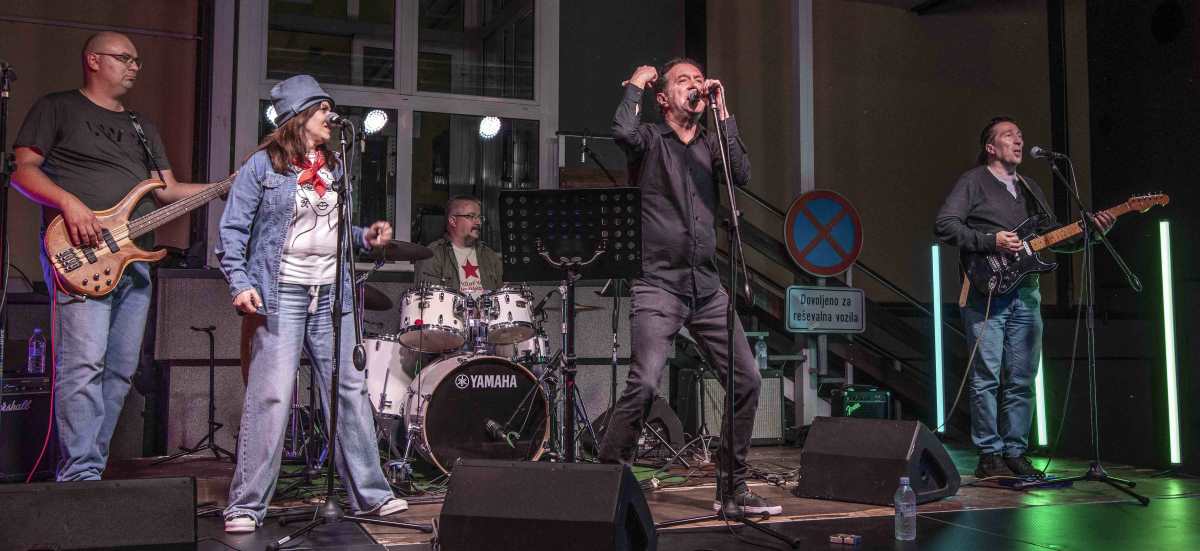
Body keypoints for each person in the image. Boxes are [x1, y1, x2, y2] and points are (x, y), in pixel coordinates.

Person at [11, 32, 215, 482]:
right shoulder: (58, 107)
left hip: (134, 261)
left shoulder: (142, 126)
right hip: (81, 255)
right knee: (83, 364)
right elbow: (23, 171)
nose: (134, 66)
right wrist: (69, 203)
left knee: (121, 371)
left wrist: (228, 186)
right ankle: (80, 475)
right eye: (124, 58)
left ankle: (90, 470)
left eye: (137, 60)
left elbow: (167, 191)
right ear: (93, 60)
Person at [216, 74, 405, 533]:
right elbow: (232, 232)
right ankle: (246, 505)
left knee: (349, 391)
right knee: (272, 394)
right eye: (322, 109)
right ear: (298, 116)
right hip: (282, 293)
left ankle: (371, 495)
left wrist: (364, 236)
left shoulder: (333, 168)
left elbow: (332, 230)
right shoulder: (261, 167)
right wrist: (239, 283)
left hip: (332, 296)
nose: (329, 116)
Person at [598, 58, 780, 516]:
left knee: (747, 378)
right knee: (644, 382)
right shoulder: (649, 140)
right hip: (658, 284)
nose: (696, 85)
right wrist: (636, 83)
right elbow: (621, 132)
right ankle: (607, 484)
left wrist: (723, 110)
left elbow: (740, 173)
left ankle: (732, 489)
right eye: (684, 81)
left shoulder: (710, 144)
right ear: (663, 98)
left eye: (700, 79)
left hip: (707, 285)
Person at [934, 117, 1113, 479]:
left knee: (1023, 377)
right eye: (1008, 135)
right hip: (986, 289)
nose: (1018, 140)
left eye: (1019, 135)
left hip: (1026, 292)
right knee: (986, 376)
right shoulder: (974, 181)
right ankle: (989, 454)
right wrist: (991, 241)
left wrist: (1091, 233)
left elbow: (1052, 238)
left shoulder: (1030, 187)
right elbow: (945, 225)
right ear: (990, 147)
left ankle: (1015, 451)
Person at [413, 195, 502, 297]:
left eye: (479, 217)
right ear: (453, 221)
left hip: (486, 308)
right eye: (471, 216)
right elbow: (429, 300)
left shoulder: (489, 255)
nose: (479, 222)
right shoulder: (432, 255)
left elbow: (502, 297)